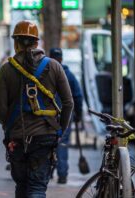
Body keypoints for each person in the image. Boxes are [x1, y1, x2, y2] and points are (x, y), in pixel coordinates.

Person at [0, 20, 74, 197]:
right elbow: (68, 102)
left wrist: (8, 127)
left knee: (21, 186)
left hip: (17, 136)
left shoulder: (6, 70)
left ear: (15, 42)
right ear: (37, 42)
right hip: (45, 136)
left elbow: (0, 108)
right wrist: (60, 129)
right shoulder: (54, 66)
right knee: (37, 187)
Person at [49, 48, 83, 184]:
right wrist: (78, 114)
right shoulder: (69, 75)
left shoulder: (45, 73)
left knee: (48, 142)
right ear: (62, 59)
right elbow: (78, 96)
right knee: (62, 143)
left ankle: (48, 171)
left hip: (48, 116)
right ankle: (62, 175)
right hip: (65, 116)